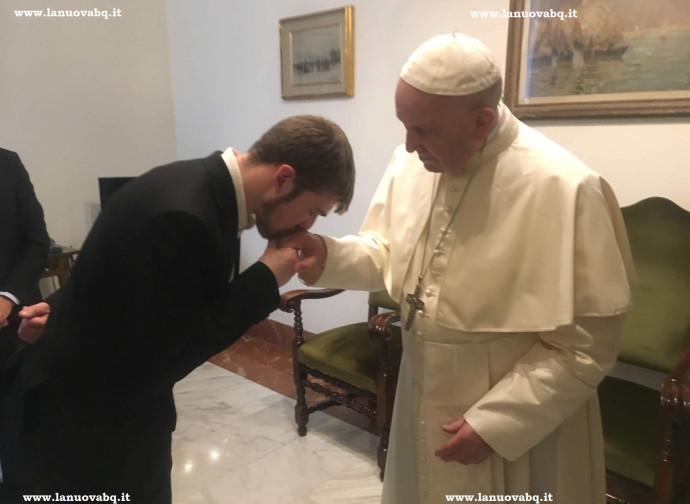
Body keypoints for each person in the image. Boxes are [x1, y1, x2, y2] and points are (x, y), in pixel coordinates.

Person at [283, 34, 635, 503]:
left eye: (423, 130)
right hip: (422, 388)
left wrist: (498, 422)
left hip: (522, 418)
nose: (408, 146)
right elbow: (389, 255)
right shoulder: (414, 162)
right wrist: (329, 256)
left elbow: (587, 346)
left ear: (481, 121)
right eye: (403, 126)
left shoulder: (567, 187)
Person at [14, 115, 355, 502]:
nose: (307, 225)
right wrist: (263, 279)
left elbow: (122, 279)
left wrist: (61, 310)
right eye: (313, 211)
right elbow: (170, 352)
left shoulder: (193, 182)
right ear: (284, 178)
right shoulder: (185, 217)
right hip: (91, 427)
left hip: (94, 399)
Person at [0, 148, 50, 496]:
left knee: (20, 440)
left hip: (13, 335)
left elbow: (36, 243)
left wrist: (6, 298)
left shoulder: (7, 164)